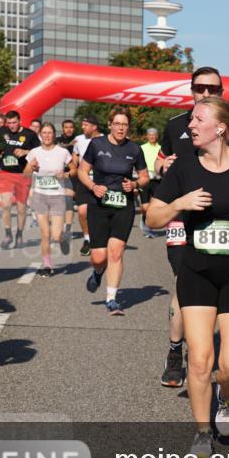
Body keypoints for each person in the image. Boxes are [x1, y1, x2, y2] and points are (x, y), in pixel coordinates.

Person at [146, 95, 229, 458]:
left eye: (197, 119)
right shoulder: (184, 167)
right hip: (197, 272)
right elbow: (152, 219)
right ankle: (202, 431)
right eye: (190, 119)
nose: (190, 125)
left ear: (220, 128)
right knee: (201, 360)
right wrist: (178, 204)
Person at [155, 66, 225, 387]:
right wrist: (162, 165)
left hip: (218, 220)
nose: (206, 93)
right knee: (184, 284)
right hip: (181, 219)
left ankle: (205, 348)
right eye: (200, 88)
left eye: (213, 88)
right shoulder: (175, 126)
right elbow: (158, 160)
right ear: (192, 90)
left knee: (216, 289)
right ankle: (174, 351)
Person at [77, 107, 149, 315]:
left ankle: (111, 299)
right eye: (117, 124)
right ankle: (97, 273)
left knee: (116, 253)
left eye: (125, 125)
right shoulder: (97, 144)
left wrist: (135, 185)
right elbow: (82, 171)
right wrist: (92, 187)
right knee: (99, 257)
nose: (121, 128)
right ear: (109, 125)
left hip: (123, 206)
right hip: (99, 205)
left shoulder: (134, 149)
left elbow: (144, 177)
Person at [25, 123, 75, 276]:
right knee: (45, 234)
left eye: (49, 133)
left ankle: (63, 239)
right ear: (40, 135)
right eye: (44, 133)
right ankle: (47, 265)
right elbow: (26, 174)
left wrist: (65, 175)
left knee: (56, 235)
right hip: (40, 196)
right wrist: (31, 167)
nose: (47, 136)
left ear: (54, 135)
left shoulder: (63, 152)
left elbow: (74, 169)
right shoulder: (34, 152)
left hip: (57, 197)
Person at [0, 111, 39, 249]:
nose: (11, 126)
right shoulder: (2, 131)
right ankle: (7, 235)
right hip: (6, 173)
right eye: (9, 123)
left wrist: (25, 152)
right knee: (5, 204)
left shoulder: (30, 134)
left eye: (14, 123)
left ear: (20, 121)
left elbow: (40, 151)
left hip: (23, 174)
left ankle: (19, 234)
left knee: (21, 208)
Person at [72, 115, 103, 255]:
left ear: (94, 127)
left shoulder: (105, 139)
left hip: (101, 181)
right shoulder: (78, 139)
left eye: (85, 125)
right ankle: (87, 239)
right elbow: (75, 157)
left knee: (100, 212)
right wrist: (74, 167)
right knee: (82, 211)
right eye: (82, 125)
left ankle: (101, 238)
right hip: (83, 179)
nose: (82, 127)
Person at [56, 119, 78, 241]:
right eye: (66, 127)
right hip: (56, 175)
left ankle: (68, 229)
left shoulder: (78, 140)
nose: (69, 129)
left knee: (69, 201)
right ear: (62, 128)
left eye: (71, 127)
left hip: (71, 174)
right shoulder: (57, 141)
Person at [138, 127, 161, 237]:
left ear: (157, 136)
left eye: (154, 135)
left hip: (157, 180)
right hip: (145, 179)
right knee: (145, 207)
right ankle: (144, 220)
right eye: (150, 135)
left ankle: (148, 226)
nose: (152, 137)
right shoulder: (141, 148)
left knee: (154, 206)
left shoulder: (161, 148)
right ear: (147, 136)